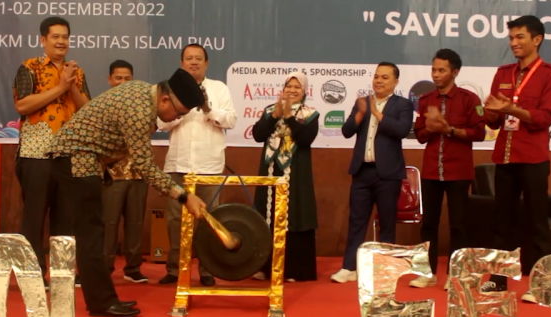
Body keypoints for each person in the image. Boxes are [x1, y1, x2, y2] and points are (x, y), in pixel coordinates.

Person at [47, 68, 208, 317]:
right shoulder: (139, 111)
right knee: (91, 234)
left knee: (93, 232)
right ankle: (101, 303)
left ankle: (103, 299)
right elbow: (144, 166)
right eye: (178, 113)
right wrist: (184, 196)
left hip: (80, 158)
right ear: (165, 100)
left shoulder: (141, 91)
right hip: (76, 158)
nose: (176, 118)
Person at [481, 15, 551, 304]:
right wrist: (490, 111)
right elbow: (492, 122)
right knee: (502, 222)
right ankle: (498, 281)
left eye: (520, 37)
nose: (514, 43)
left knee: (537, 223)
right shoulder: (503, 73)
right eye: (511, 38)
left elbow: (545, 118)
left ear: (537, 39)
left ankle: (540, 285)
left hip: (534, 158)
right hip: (505, 157)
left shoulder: (549, 74)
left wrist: (512, 109)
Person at [12, 16, 89, 286]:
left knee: (66, 218)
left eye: (65, 37)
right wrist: (60, 88)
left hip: (68, 154)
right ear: (43, 40)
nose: (61, 42)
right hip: (36, 154)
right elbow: (22, 106)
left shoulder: (76, 71)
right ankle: (34, 274)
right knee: (34, 217)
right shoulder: (29, 68)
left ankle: (63, 272)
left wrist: (71, 86)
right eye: (55, 37)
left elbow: (87, 110)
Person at [157, 44, 237, 286]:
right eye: (189, 58)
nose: (194, 62)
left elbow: (231, 120)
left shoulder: (219, 88)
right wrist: (182, 109)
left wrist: (207, 109)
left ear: (206, 63)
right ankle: (175, 269)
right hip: (178, 164)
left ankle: (207, 270)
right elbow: (161, 123)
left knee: (209, 219)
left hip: (209, 165)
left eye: (198, 59)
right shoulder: (168, 89)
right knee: (175, 220)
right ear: (182, 63)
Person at [332, 62, 414, 283]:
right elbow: (346, 131)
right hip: (362, 172)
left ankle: (384, 269)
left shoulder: (403, 104)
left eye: (385, 77)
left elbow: (402, 130)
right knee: (356, 221)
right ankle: (349, 268)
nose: (379, 81)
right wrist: (361, 114)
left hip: (388, 174)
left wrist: (377, 113)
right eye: (376, 76)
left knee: (387, 223)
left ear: (395, 81)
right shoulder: (362, 103)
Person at [412, 49, 485, 289]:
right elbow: (419, 135)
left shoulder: (469, 99)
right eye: (433, 70)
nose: (436, 74)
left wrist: (450, 130)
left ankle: (456, 275)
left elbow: (480, 133)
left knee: (459, 225)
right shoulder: (425, 100)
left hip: (459, 172)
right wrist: (431, 129)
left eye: (441, 70)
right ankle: (427, 272)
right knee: (428, 224)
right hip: (431, 170)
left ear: (455, 72)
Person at [251, 71, 319, 282]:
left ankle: (293, 269)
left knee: (295, 215)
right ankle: (264, 267)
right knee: (267, 214)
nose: (292, 90)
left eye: (297, 87)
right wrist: (275, 116)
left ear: (304, 91)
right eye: (289, 86)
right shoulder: (270, 111)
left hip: (296, 174)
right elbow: (258, 135)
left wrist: (289, 117)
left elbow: (306, 139)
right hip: (271, 171)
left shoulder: (310, 114)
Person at [102, 60, 149, 283]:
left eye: (127, 78)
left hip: (138, 173)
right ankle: (104, 268)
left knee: (135, 223)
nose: (122, 82)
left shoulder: (143, 106)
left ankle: (133, 268)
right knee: (108, 224)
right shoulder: (101, 106)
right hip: (111, 174)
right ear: (110, 80)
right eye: (118, 78)